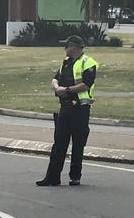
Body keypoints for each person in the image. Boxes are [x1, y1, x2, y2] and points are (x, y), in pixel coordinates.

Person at [36, 35, 98, 187]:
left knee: (78, 143)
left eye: (67, 46)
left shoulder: (88, 63)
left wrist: (68, 89)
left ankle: (75, 176)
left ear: (74, 47)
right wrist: (57, 87)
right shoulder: (65, 62)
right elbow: (55, 78)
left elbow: (86, 85)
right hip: (65, 106)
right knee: (59, 142)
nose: (64, 49)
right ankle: (52, 177)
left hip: (80, 109)